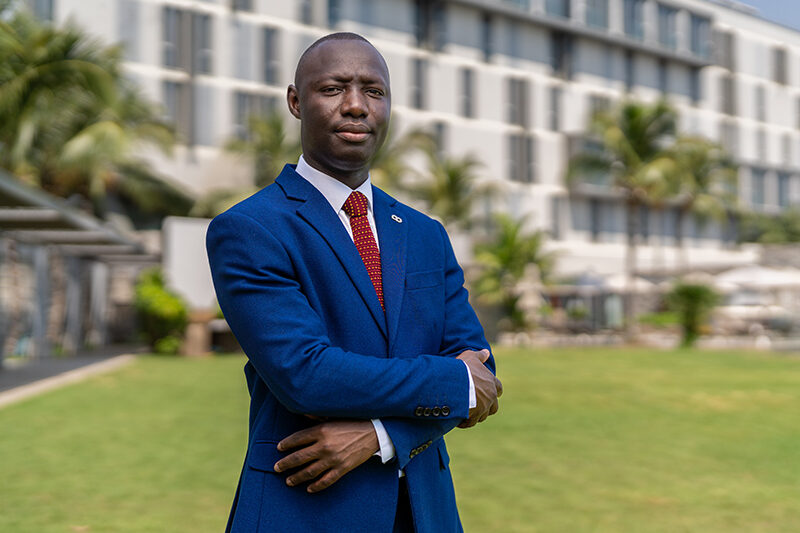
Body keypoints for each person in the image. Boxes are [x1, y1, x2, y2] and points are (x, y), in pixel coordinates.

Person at [206, 32, 502, 533]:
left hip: (427, 513)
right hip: (305, 510)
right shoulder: (250, 229)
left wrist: (382, 436)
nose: (356, 106)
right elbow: (307, 374)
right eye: (333, 89)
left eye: (374, 91)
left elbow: (482, 370)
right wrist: (452, 382)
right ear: (296, 102)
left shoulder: (426, 233)